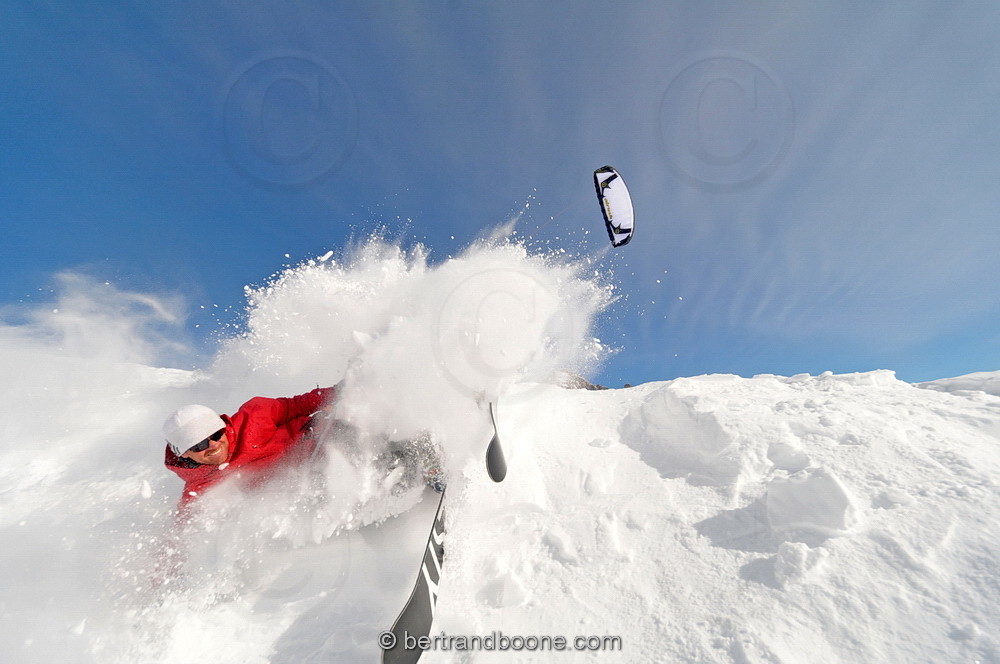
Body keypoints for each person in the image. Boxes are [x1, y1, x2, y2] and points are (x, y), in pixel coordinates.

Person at [162, 386, 336, 520]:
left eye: (216, 434)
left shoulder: (254, 416)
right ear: (183, 453)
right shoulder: (198, 490)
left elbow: (298, 405)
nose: (214, 445)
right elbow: (185, 531)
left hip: (326, 438)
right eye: (199, 444)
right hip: (308, 484)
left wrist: (342, 391)